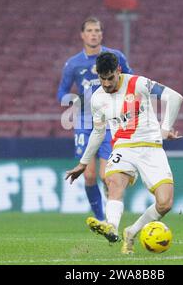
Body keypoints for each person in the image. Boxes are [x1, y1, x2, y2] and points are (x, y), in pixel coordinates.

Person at [65, 52, 183, 254]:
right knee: (114, 182)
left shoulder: (138, 83)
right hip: (123, 147)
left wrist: (165, 128)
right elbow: (98, 132)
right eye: (102, 78)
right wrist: (84, 163)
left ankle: (131, 232)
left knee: (165, 203)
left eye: (110, 77)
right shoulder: (97, 99)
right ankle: (111, 225)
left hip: (150, 147)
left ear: (118, 70)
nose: (106, 83)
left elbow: (175, 97)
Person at [57, 17, 133, 222]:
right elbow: (62, 92)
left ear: (102, 33)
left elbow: (130, 80)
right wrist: (74, 100)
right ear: (82, 35)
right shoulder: (73, 64)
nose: (94, 34)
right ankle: (101, 219)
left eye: (97, 30)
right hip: (84, 123)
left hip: (109, 122)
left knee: (106, 176)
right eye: (90, 30)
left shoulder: (115, 56)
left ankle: (111, 216)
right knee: (88, 176)